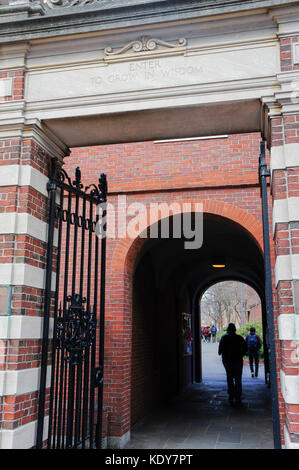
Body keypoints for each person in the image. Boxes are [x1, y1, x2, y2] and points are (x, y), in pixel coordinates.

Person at [218, 323, 247, 404]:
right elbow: (245, 348)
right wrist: (241, 354)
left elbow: (219, 351)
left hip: (228, 361)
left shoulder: (224, 338)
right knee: (238, 378)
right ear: (235, 330)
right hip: (238, 360)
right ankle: (238, 394)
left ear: (227, 330)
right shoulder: (239, 338)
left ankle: (231, 393)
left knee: (229, 377)